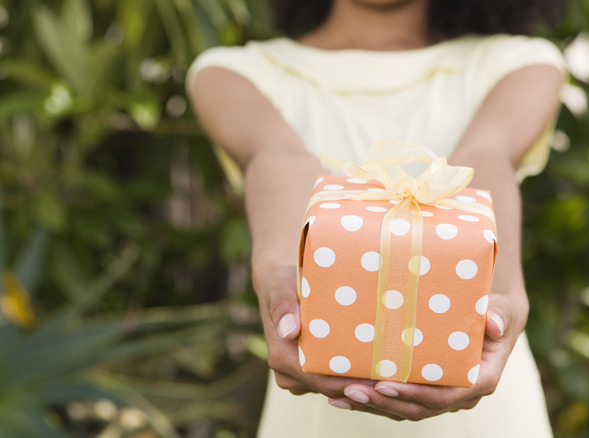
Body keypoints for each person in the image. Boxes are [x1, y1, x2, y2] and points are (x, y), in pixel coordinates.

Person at [187, 0, 567, 436]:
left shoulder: (519, 61)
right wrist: (279, 276)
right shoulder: (233, 72)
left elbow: (484, 156)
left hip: (484, 396)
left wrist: (501, 291)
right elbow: (281, 158)